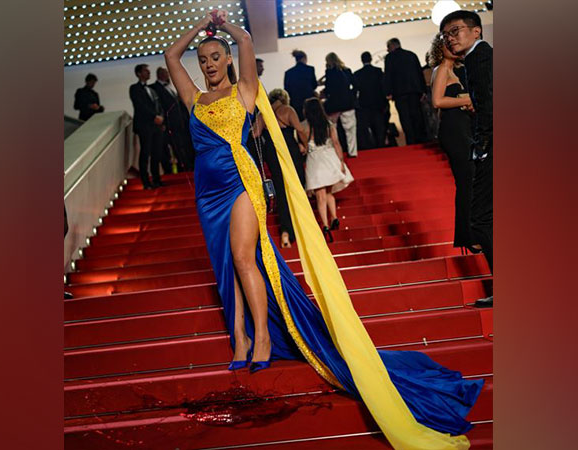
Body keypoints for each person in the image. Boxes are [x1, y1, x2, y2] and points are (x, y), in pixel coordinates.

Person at [164, 9, 483, 449]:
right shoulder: (193, 99)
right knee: (224, 264)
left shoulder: (244, 90)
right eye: (204, 59)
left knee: (243, 257)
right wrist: (200, 29)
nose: (208, 64)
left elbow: (246, 45)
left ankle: (260, 341)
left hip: (240, 182)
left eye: (216, 56)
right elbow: (170, 54)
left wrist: (228, 28)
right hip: (206, 190)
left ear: (228, 59)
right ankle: (238, 340)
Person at [441, 11, 493, 308]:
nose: (450, 37)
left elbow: (490, 102)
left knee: (482, 218)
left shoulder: (480, 57)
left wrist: (483, 142)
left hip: (490, 143)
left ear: (476, 32)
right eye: (446, 34)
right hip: (483, 139)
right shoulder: (474, 59)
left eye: (456, 30)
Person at [429, 34, 481, 255]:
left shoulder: (453, 70)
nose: (452, 46)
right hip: (453, 131)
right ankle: (469, 236)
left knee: (470, 181)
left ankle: (471, 235)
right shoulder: (441, 69)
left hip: (462, 128)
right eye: (447, 44)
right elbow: (437, 101)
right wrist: (467, 100)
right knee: (467, 181)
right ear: (440, 48)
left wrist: (467, 104)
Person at [253, 89, 308, 248]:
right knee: (297, 187)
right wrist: (305, 145)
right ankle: (301, 227)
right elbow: (300, 130)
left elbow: (255, 134)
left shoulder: (264, 113)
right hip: (289, 150)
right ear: (284, 98)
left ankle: (285, 232)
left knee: (281, 190)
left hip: (272, 153)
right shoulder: (288, 110)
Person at [302, 97, 353, 242]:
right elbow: (336, 143)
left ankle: (324, 225)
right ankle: (335, 218)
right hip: (329, 160)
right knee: (329, 192)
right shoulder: (329, 125)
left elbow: (304, 147)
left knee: (320, 196)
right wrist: (341, 162)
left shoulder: (304, 127)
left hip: (315, 162)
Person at [384, 38, 427, 145]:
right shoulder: (411, 55)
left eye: (388, 47)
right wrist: (423, 91)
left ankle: (411, 140)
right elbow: (419, 73)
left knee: (405, 118)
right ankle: (420, 139)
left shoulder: (390, 58)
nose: (387, 50)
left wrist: (388, 92)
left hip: (399, 93)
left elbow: (388, 75)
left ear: (392, 46)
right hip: (414, 91)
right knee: (416, 116)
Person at [151, 66, 195, 172]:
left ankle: (187, 165)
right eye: (166, 73)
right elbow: (159, 106)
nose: (168, 75)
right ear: (160, 74)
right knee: (174, 148)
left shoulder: (170, 87)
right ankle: (181, 168)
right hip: (168, 124)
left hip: (180, 122)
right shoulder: (154, 88)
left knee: (183, 145)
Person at [129, 64, 165, 189]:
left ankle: (157, 179)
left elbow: (159, 106)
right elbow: (140, 106)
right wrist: (154, 116)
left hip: (156, 126)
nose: (148, 72)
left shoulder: (152, 90)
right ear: (138, 73)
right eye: (145, 71)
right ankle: (146, 182)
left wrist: (161, 118)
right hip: (145, 126)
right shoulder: (134, 88)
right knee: (145, 153)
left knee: (157, 153)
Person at [320, 52, 358, 157]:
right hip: (347, 104)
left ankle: (335, 152)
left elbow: (329, 89)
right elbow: (355, 85)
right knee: (350, 130)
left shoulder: (329, 72)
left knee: (333, 130)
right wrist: (351, 96)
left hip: (334, 105)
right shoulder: (347, 70)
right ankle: (352, 152)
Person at [354, 51, 388, 149]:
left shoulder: (357, 74)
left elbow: (356, 90)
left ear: (361, 60)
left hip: (364, 104)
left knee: (367, 128)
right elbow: (383, 87)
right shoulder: (378, 71)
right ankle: (380, 146)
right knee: (379, 127)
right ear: (371, 59)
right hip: (378, 103)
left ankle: (371, 147)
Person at [284, 50, 318, 121]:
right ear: (304, 58)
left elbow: (286, 89)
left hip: (295, 102)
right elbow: (314, 85)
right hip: (309, 101)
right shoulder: (310, 69)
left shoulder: (288, 73)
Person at [422, 52, 440, 140]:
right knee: (430, 116)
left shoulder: (440, 68)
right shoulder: (423, 70)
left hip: (438, 92)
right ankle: (433, 135)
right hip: (429, 93)